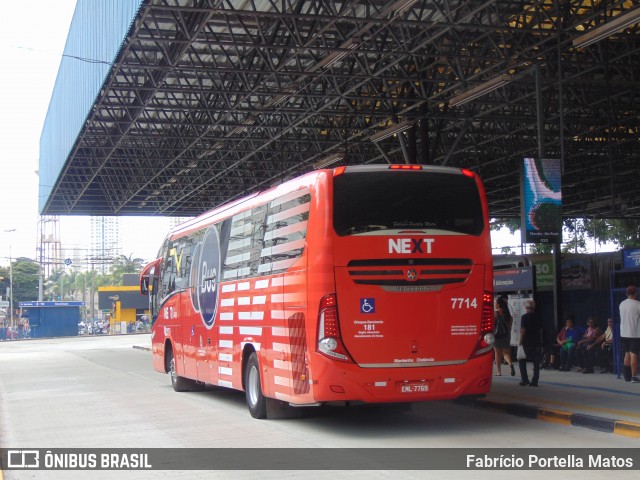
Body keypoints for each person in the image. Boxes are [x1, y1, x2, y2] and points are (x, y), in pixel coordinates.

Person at [518, 299, 542, 386]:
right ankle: (535, 381)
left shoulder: (524, 317)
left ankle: (525, 380)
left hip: (527, 342)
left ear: (526, 308)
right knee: (536, 363)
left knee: (522, 360)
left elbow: (523, 330)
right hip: (537, 341)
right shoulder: (538, 316)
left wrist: (520, 341)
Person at [619, 285, 640, 383]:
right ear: (636, 293)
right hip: (635, 334)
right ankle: (634, 376)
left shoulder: (621, 304)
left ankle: (626, 376)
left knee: (626, 354)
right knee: (634, 355)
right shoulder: (638, 304)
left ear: (627, 293)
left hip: (624, 333)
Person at [493, 297, 515, 376]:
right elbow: (510, 327)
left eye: (495, 303)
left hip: (497, 336)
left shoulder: (496, 314)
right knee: (505, 352)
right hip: (506, 335)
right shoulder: (508, 314)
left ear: (498, 304)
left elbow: (492, 325)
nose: (495, 304)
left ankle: (498, 371)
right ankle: (510, 364)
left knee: (497, 353)